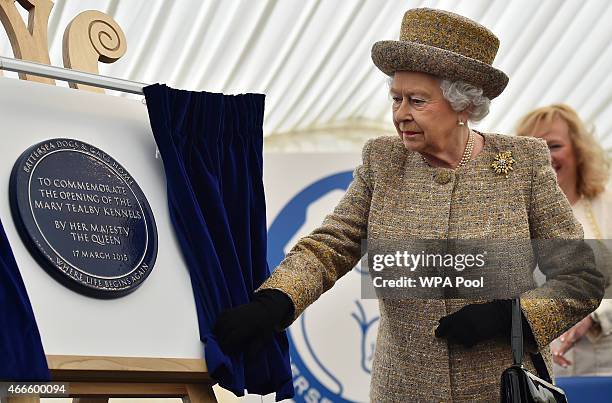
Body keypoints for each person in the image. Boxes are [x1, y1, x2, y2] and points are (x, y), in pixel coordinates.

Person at [214, 8, 604, 401]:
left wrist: (511, 317)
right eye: (396, 98)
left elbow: (582, 278)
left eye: (417, 101)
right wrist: (276, 300)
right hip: (402, 389)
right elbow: (330, 245)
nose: (401, 114)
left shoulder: (524, 163)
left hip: (499, 389)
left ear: (463, 104)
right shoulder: (384, 161)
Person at [517, 104, 612, 376]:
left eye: (554, 145)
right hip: (542, 372)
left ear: (579, 150)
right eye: (534, 147)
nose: (544, 156)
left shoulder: (607, 204)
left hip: (604, 366)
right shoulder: (513, 215)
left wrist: (593, 316)